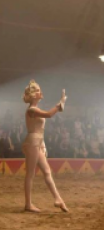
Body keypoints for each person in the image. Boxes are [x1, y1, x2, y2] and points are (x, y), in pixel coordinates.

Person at [22, 79, 69, 213]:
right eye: (37, 90)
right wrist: (60, 104)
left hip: (37, 142)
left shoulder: (35, 109)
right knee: (30, 174)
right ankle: (28, 204)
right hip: (32, 143)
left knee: (47, 172)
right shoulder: (32, 109)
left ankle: (58, 199)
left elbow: (39, 129)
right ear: (32, 95)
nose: (40, 92)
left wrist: (43, 144)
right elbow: (48, 115)